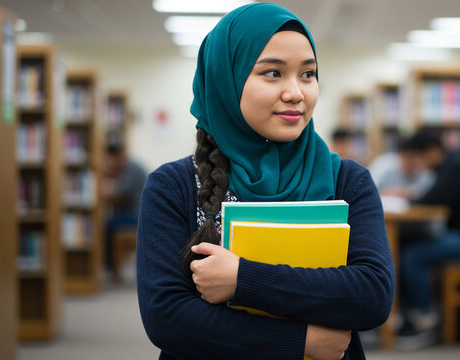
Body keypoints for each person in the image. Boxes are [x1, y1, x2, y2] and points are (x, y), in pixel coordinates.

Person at [136, 4, 394, 360]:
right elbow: (167, 317)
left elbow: (372, 296)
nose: (296, 93)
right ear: (227, 80)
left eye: (307, 74)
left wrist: (243, 279)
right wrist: (300, 342)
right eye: (273, 73)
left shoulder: (348, 180)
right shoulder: (173, 185)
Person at [400, 130, 460, 338]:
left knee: (412, 255)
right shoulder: (453, 163)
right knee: (408, 246)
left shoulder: (456, 166)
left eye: (421, 158)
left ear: (432, 152)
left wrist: (407, 199)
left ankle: (423, 321)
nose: (421, 165)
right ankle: (411, 315)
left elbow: (432, 199)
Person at [103, 142, 147, 273]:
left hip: (136, 215)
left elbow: (120, 195)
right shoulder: (130, 167)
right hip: (134, 212)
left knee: (108, 225)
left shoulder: (132, 169)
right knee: (110, 222)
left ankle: (111, 267)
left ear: (117, 156)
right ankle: (109, 266)